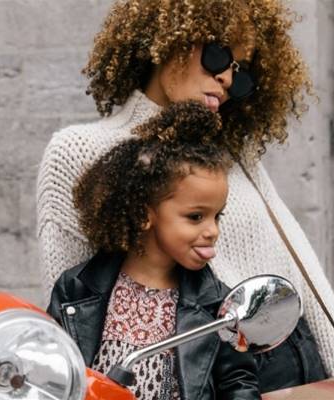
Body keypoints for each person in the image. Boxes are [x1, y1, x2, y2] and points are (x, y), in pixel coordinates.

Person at [37, 0, 334, 392]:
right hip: (194, 372)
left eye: (241, 73)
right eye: (218, 55)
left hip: (287, 357)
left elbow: (299, 263)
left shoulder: (232, 155)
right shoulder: (80, 151)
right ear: (172, 37)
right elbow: (75, 310)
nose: (227, 78)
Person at [47, 102, 260, 400]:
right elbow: (50, 376)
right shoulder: (78, 289)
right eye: (196, 216)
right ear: (144, 214)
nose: (213, 230)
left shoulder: (219, 307)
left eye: (217, 216)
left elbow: (239, 384)